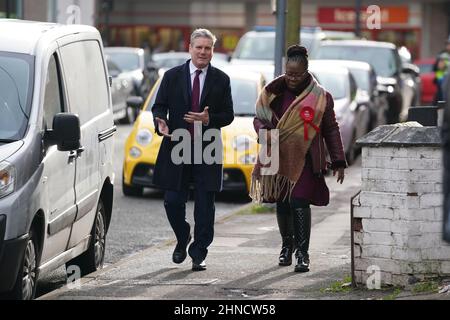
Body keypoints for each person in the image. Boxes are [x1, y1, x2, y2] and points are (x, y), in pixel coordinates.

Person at [250, 45, 347, 272]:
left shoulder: (321, 97)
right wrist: (263, 131)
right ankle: (286, 246)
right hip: (277, 154)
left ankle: (302, 253)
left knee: (299, 201)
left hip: (305, 157)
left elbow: (331, 129)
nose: (292, 78)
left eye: (297, 74)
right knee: (283, 201)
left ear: (307, 71)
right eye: (289, 73)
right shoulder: (272, 92)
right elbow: (259, 118)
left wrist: (339, 161)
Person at [151, 28, 234, 271]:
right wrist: (160, 121)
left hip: (207, 148)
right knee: (172, 201)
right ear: (190, 48)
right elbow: (159, 106)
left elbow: (228, 115)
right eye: (199, 47)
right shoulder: (171, 76)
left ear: (212, 51)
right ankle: (182, 235)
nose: (203, 52)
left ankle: (199, 252)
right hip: (177, 145)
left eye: (208, 48)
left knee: (205, 207)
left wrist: (209, 120)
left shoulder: (221, 79)